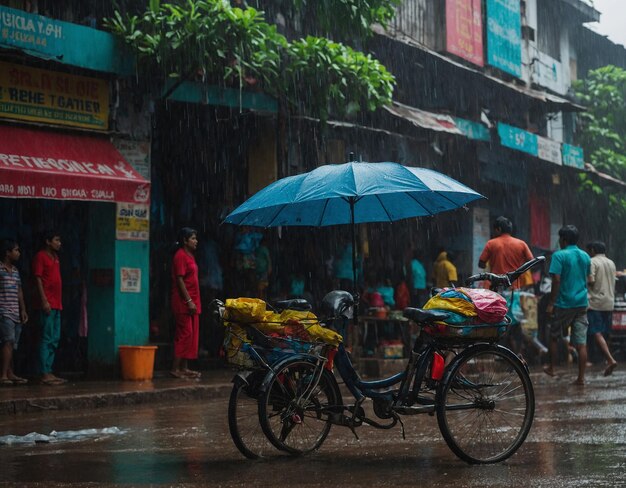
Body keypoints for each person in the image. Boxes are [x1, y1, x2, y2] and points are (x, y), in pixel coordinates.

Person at [544, 225, 591, 385]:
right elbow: (589, 279)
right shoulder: (585, 256)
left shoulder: (559, 255)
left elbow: (556, 280)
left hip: (564, 303)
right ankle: (581, 378)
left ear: (563, 240)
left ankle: (551, 367)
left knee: (554, 335)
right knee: (580, 341)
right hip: (582, 303)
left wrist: (551, 303)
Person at [33, 231, 66, 385]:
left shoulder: (56, 258)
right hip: (47, 303)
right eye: (56, 240)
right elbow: (38, 279)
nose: (59, 243)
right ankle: (44, 372)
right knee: (46, 338)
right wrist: (44, 300)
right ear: (48, 241)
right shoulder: (41, 256)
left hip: (57, 304)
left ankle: (49, 369)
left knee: (55, 338)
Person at [170, 227, 202, 379]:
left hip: (193, 300)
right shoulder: (180, 256)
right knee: (185, 333)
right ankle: (175, 368)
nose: (196, 241)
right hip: (183, 301)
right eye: (193, 238)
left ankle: (184, 367)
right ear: (185, 240)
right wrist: (188, 300)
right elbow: (180, 279)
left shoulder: (191, 255)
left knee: (192, 334)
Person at [586, 241, 618, 376]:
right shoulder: (611, 263)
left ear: (593, 250)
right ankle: (607, 358)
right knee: (605, 332)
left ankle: (610, 359)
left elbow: (591, 280)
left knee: (596, 332)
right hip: (609, 302)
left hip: (596, 302)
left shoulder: (592, 261)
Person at [0, 239, 28, 385]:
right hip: (4, 311)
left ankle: (10, 373)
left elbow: (19, 292)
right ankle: (3, 374)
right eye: (16, 250)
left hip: (15, 312)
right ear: (7, 252)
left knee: (12, 344)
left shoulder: (16, 271)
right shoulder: (0, 269)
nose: (18, 253)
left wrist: (23, 309)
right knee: (8, 341)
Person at [479, 216, 534, 289]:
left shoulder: (491, 243)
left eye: (495, 230)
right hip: (514, 286)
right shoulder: (521, 244)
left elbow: (481, 264)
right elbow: (532, 262)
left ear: (499, 229)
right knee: (512, 300)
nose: (494, 232)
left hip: (495, 285)